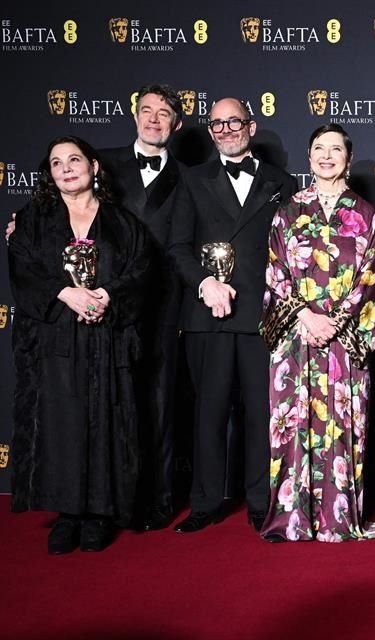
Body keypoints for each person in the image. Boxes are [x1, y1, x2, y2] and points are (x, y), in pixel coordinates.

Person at [7, 136, 151, 554]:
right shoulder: (32, 220)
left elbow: (140, 274)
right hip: (54, 339)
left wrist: (107, 296)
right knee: (60, 422)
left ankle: (98, 513)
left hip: (106, 337)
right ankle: (67, 513)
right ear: (50, 175)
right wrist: (64, 294)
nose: (67, 168)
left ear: (93, 166)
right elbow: (23, 270)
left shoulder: (123, 224)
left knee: (104, 417)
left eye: (74, 160)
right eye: (56, 163)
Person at [168, 97, 297, 534]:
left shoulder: (282, 183)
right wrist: (206, 284)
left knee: (263, 415)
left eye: (233, 122)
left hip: (263, 316)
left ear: (251, 125)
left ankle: (261, 502)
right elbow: (179, 247)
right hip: (209, 316)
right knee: (209, 412)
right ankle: (205, 502)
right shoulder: (192, 179)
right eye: (216, 123)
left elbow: (293, 253)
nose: (225, 130)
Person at [259, 124, 375, 542]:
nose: (327, 156)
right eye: (319, 149)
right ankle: (291, 520)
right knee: (293, 424)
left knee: (342, 424)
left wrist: (335, 321)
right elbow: (276, 274)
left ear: (348, 159)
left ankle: (337, 519)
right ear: (309, 157)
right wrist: (305, 316)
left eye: (335, 149)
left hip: (343, 341)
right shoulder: (288, 211)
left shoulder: (367, 216)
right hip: (296, 337)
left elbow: (370, 280)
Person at [98, 83, 185, 531]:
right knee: (112, 402)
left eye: (164, 113)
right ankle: (111, 502)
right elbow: (59, 193)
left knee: (161, 405)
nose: (154, 119)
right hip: (111, 305)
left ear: (176, 124)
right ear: (134, 116)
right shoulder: (103, 163)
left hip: (167, 306)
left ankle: (161, 498)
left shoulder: (188, 176)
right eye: (147, 111)